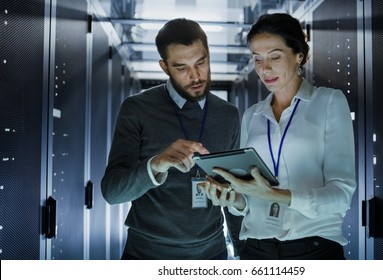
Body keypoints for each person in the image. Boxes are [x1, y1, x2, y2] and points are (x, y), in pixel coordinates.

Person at [202, 13, 356, 260]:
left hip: (313, 249)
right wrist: (233, 199)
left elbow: (341, 195)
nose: (265, 68)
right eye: (257, 59)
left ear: (300, 56)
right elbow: (248, 202)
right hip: (257, 250)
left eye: (275, 56)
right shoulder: (252, 115)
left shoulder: (328, 102)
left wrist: (277, 196)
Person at [101, 18, 243, 260]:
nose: (196, 76)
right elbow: (113, 192)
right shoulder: (136, 109)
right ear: (165, 67)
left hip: (212, 254)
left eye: (201, 62)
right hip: (147, 255)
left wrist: (243, 254)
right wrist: (156, 164)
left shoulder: (228, 114)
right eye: (182, 68)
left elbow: (233, 189)